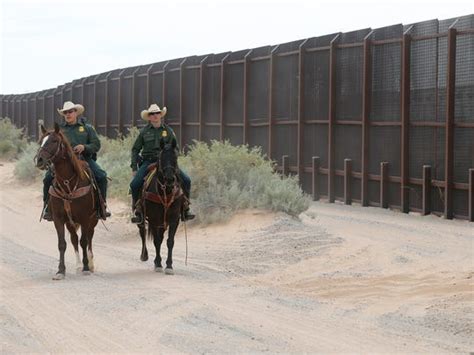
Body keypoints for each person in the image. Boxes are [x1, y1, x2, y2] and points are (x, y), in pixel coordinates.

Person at [42, 101, 110, 220]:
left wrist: (84, 147)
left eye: (70, 112)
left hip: (84, 159)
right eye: (65, 112)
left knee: (101, 176)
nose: (68, 114)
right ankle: (48, 207)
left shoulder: (87, 128)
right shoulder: (59, 130)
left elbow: (96, 144)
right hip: (63, 162)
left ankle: (101, 206)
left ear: (76, 113)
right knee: (47, 178)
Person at [130, 103, 195, 223]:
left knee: (186, 180)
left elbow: (176, 148)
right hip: (148, 161)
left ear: (161, 115)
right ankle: (137, 209)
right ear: (149, 117)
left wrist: (170, 156)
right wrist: (134, 168)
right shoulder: (144, 132)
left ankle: (185, 207)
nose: (155, 115)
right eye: (152, 114)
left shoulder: (168, 131)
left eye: (157, 113)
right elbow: (135, 149)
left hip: (166, 163)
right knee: (135, 184)